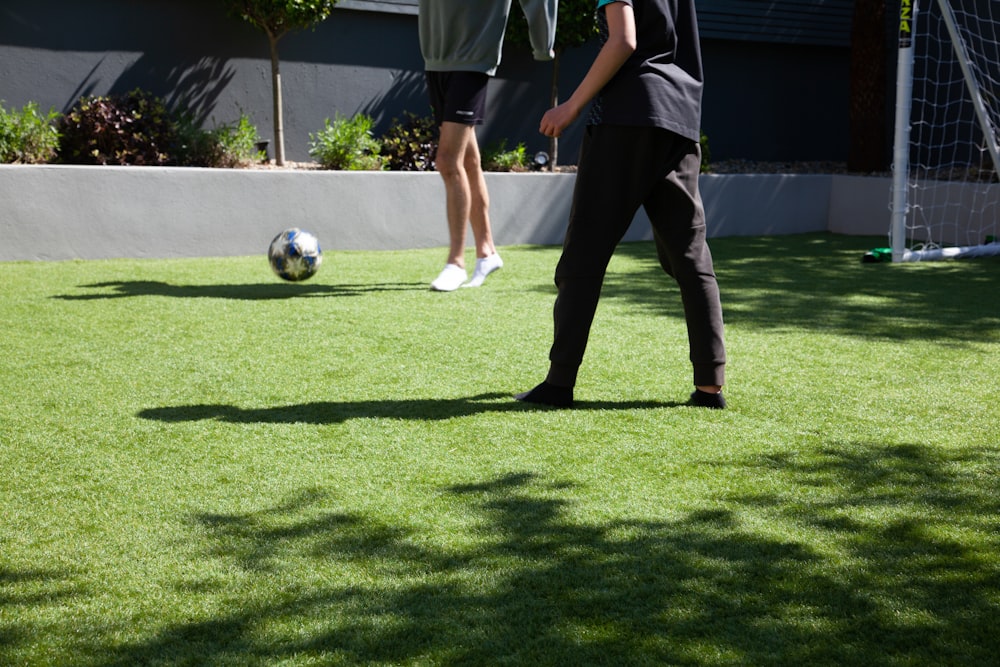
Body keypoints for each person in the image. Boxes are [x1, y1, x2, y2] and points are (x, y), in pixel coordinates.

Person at [515, 0, 727, 408]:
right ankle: (710, 386)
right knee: (691, 257)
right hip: (680, 119)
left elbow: (624, 39)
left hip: (626, 118)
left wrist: (571, 106)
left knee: (584, 254)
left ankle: (559, 384)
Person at [418, 0, 557, 291]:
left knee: (447, 161)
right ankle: (487, 252)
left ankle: (456, 263)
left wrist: (543, 44)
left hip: (474, 57)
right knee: (468, 161)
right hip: (435, 55)